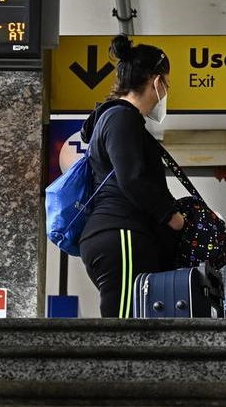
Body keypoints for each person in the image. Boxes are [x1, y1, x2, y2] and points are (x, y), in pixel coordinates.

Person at [77, 34, 185, 318]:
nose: (166, 91)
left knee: (133, 323)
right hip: (121, 232)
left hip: (120, 232)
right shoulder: (121, 118)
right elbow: (132, 179)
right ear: (156, 81)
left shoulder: (118, 119)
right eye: (167, 83)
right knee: (124, 329)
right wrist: (170, 215)